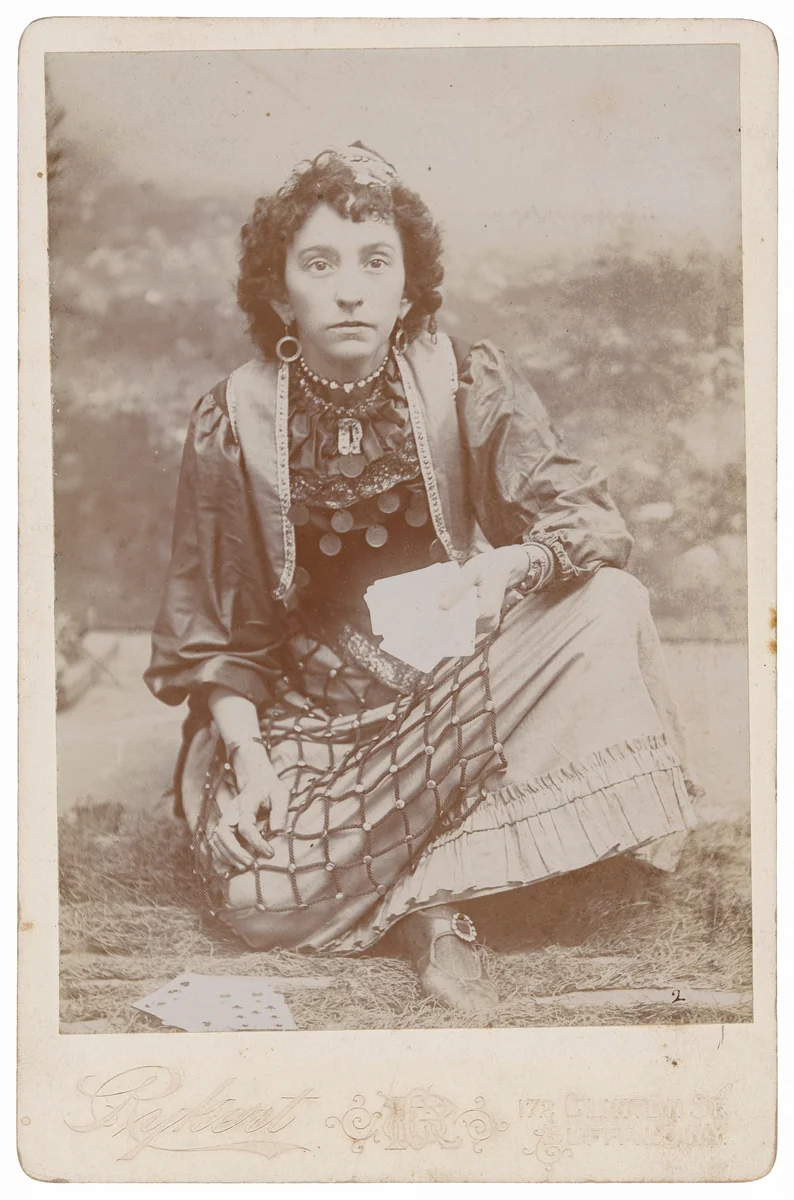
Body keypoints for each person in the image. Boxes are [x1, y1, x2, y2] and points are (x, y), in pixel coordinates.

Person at [144, 142, 698, 1013]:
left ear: (408, 288)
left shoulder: (463, 378)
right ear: (280, 289)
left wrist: (514, 563)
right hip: (305, 720)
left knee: (608, 603)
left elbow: (587, 519)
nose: (351, 289)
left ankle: (433, 908)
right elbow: (222, 632)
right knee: (258, 903)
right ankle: (449, 891)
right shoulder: (234, 417)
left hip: (457, 690)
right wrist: (249, 761)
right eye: (319, 264)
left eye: (376, 262)